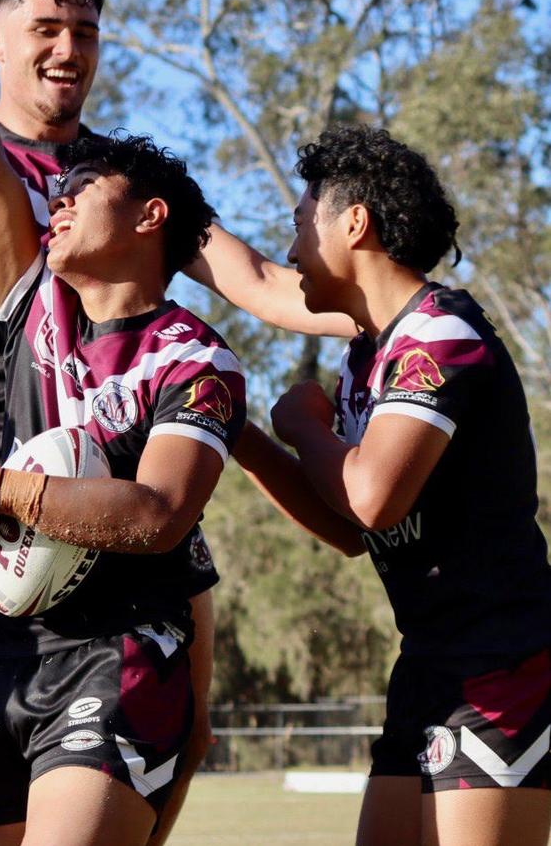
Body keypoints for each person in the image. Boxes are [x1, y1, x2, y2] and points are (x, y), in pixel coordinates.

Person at [0, 0, 229, 841]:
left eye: (89, 189)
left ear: (148, 217)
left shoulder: (193, 354)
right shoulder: (28, 303)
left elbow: (157, 516)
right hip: (6, 621)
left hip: (119, 628)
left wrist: (9, 490)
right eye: (46, 25)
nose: (63, 198)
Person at [230, 124, 551, 846]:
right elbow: (351, 528)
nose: (290, 248)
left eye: (299, 222)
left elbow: (372, 495)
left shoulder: (440, 335)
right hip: (429, 663)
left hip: (502, 663)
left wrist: (305, 424)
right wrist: (242, 436)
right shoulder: (365, 359)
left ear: (354, 222)